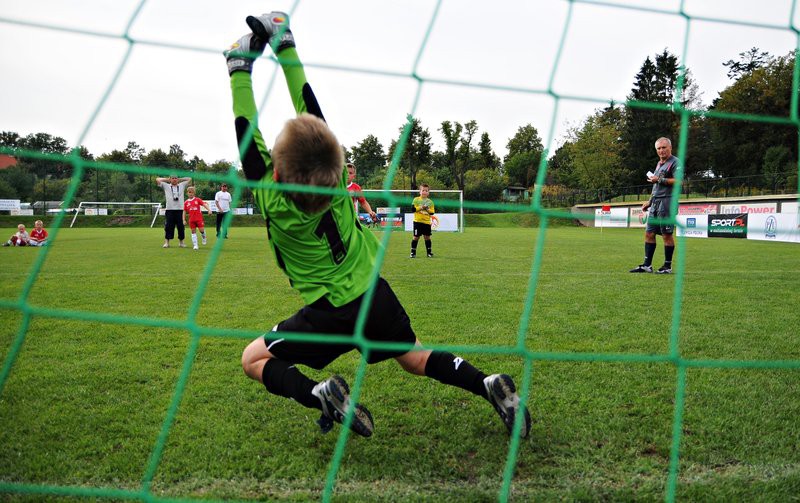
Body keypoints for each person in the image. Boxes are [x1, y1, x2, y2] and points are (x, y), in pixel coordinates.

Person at [227, 12, 531, 439]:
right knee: (415, 357)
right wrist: (285, 45)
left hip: (327, 314)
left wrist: (239, 66)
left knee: (252, 360)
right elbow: (310, 110)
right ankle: (485, 383)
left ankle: (320, 393)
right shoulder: (337, 184)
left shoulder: (272, 198)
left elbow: (247, 130)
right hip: (373, 294)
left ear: (276, 174)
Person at [630, 137, 682, 274]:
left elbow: (679, 182)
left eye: (664, 147)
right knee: (649, 233)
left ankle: (667, 266)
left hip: (667, 202)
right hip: (656, 202)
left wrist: (659, 179)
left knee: (666, 234)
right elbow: (656, 186)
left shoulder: (675, 162)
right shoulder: (659, 164)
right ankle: (647, 265)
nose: (661, 151)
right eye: (658, 148)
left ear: (670, 147)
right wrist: (649, 201)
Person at [156, 174, 192, 248]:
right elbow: (157, 179)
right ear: (170, 179)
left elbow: (189, 178)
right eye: (173, 178)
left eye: (176, 178)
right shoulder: (166, 185)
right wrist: (167, 179)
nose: (174, 179)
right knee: (168, 226)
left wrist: (180, 179)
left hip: (180, 210)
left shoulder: (181, 185)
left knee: (181, 227)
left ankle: (181, 242)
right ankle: (167, 243)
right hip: (169, 209)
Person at [410, 183, 435, 258]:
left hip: (426, 222)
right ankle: (413, 253)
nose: (424, 192)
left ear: (428, 192)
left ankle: (429, 253)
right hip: (417, 222)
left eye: (426, 191)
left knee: (427, 237)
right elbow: (413, 209)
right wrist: (421, 207)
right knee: (416, 237)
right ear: (420, 191)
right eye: (423, 190)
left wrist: (427, 208)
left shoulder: (430, 202)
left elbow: (432, 212)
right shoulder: (416, 200)